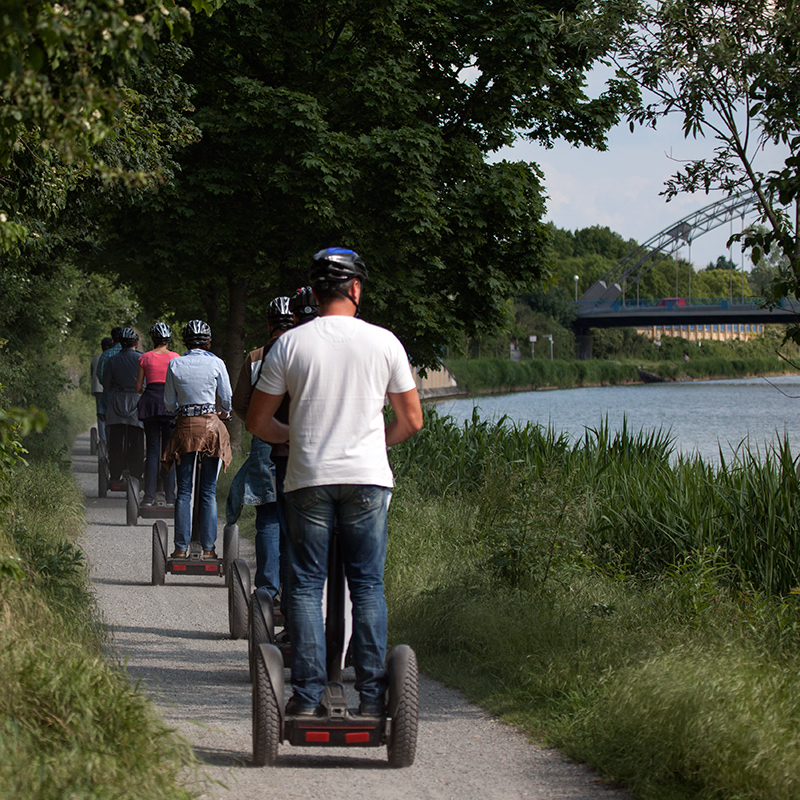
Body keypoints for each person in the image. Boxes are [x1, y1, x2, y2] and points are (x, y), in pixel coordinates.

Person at [246, 247, 423, 717]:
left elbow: (258, 422)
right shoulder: (385, 342)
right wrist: (372, 443)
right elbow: (411, 420)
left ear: (316, 291)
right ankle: (370, 697)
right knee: (367, 585)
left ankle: (305, 697)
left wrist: (297, 436)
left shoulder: (290, 345)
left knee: (305, 585)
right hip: (367, 480)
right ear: (356, 289)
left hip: (309, 479)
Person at [228, 297, 293, 599]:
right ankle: (297, 591)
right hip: (300, 445)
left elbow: (239, 403)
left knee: (268, 514)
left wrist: (257, 424)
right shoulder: (306, 352)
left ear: (269, 324)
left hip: (265, 444)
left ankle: (267, 590)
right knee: (297, 519)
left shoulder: (255, 357)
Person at [163, 320, 233, 560]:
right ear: (208, 342)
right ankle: (208, 549)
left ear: (185, 342)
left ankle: (181, 548)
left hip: (184, 430)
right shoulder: (216, 363)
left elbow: (169, 403)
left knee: (183, 491)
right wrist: (223, 410)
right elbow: (226, 398)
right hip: (211, 429)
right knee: (208, 491)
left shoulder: (175, 364)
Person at [136, 322, 179, 507]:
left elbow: (138, 387)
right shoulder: (176, 358)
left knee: (153, 451)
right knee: (169, 451)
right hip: (169, 406)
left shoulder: (145, 358)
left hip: (150, 404)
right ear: (168, 340)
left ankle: (148, 497)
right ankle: (170, 497)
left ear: (153, 339)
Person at [103, 327, 144, 483]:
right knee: (137, 439)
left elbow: (106, 385)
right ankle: (136, 474)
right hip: (136, 401)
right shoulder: (141, 359)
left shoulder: (112, 360)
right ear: (136, 343)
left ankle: (115, 474)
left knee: (115, 440)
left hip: (117, 401)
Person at [90, 336, 114, 444]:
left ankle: (102, 439)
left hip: (97, 388)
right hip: (108, 388)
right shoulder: (112, 356)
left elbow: (93, 374)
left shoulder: (95, 358)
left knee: (100, 413)